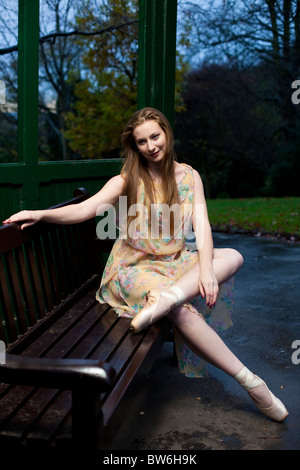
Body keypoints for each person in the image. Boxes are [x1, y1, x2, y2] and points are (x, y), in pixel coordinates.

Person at [3, 107, 288, 423]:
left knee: (233, 256)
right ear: (134, 146)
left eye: (155, 136)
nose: (151, 146)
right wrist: (41, 214)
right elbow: (85, 210)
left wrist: (206, 269)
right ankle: (252, 382)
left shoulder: (190, 176)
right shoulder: (127, 179)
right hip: (134, 269)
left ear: (166, 133)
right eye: (142, 141)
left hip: (173, 264)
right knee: (181, 310)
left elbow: (202, 226)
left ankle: (168, 297)